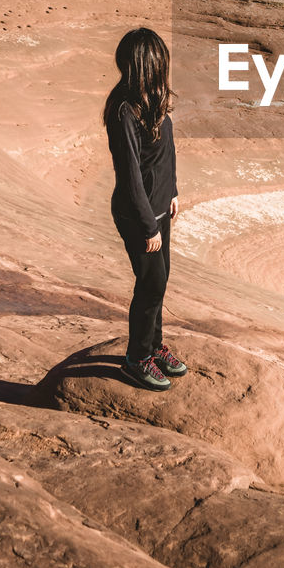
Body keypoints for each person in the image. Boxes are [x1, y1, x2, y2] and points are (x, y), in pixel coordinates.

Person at [103, 26, 188, 391]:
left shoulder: (152, 98)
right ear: (147, 66)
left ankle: (153, 347)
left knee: (160, 280)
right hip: (139, 215)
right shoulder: (123, 110)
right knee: (150, 284)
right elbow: (131, 175)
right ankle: (136, 359)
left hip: (158, 208)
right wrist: (146, 226)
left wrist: (172, 192)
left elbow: (163, 154)